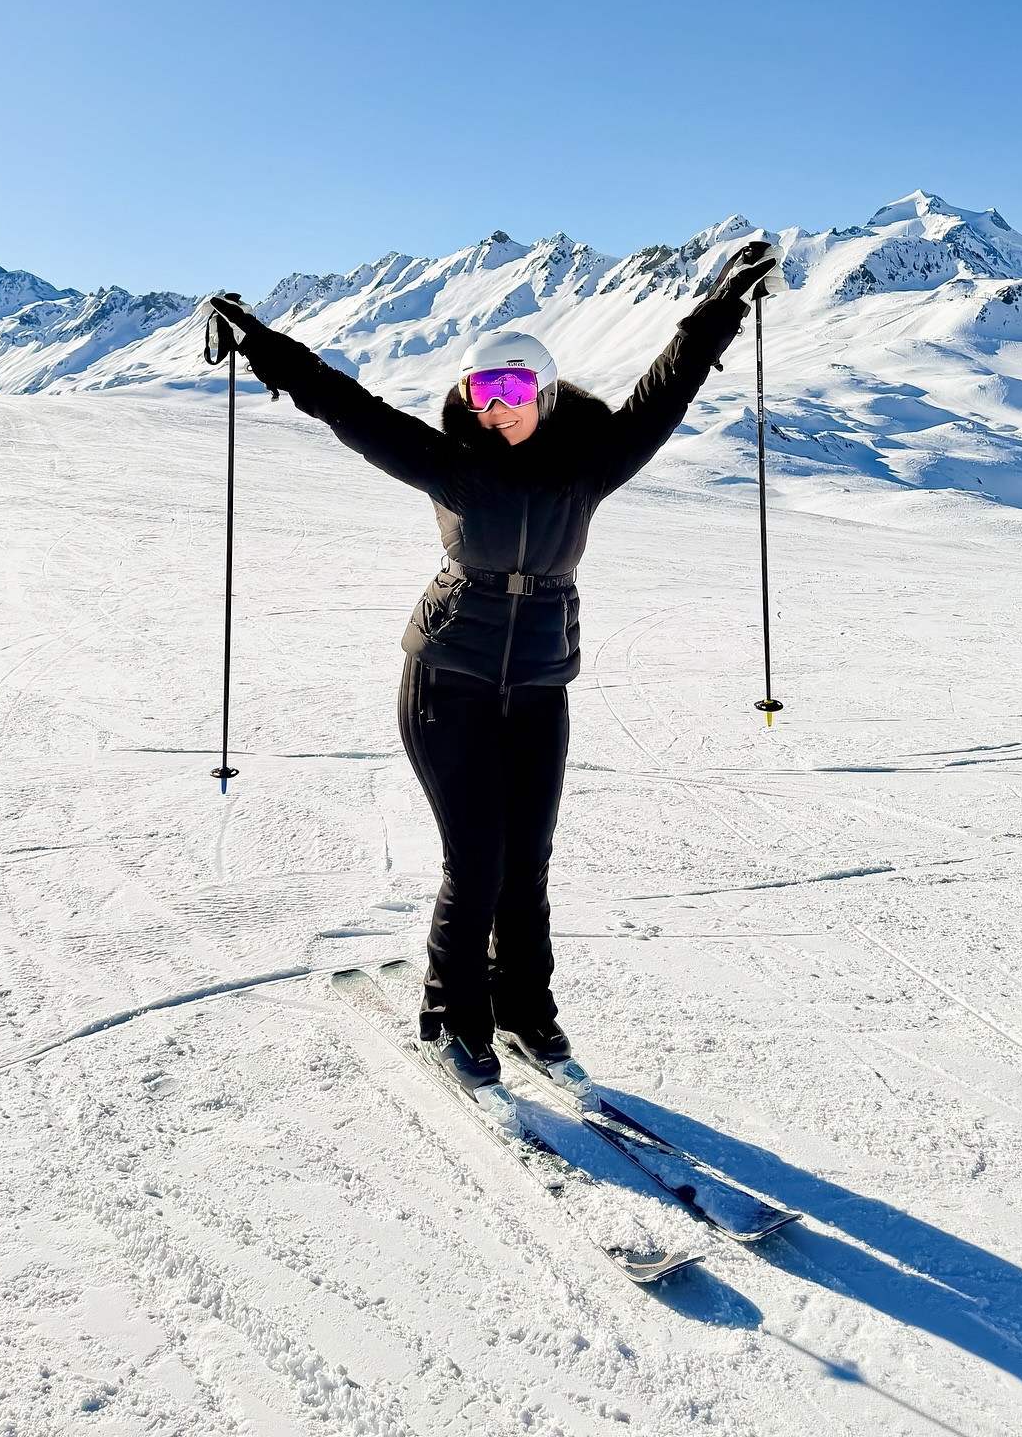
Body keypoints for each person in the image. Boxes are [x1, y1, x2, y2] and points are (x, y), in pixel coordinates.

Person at [208, 238, 783, 1105]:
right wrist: (255, 340)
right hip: (447, 679)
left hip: (540, 685)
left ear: (544, 393)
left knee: (529, 862)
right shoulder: (453, 466)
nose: (495, 407)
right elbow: (341, 403)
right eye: (481, 392)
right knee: (475, 863)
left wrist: (727, 303)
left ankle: (523, 1006)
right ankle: (453, 1015)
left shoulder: (593, 463)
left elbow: (671, 383)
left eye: (513, 389)